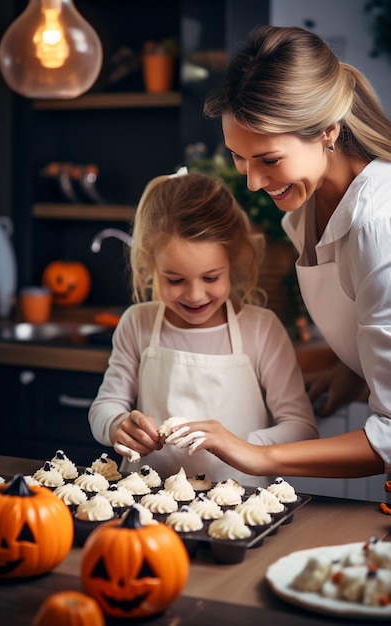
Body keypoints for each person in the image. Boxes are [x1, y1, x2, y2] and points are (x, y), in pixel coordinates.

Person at [167, 25, 391, 480]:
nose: (252, 182)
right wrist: (354, 370)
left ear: (328, 132)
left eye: (268, 160)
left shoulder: (378, 224)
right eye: (238, 157)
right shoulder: (305, 211)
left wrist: (258, 455)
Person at [89, 169, 318, 486]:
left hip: (240, 506)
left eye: (211, 277)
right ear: (151, 265)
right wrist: (117, 424)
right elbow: (103, 407)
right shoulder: (137, 323)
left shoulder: (261, 329)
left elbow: (301, 426)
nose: (195, 295)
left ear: (233, 262)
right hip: (148, 504)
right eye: (175, 280)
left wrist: (240, 444)